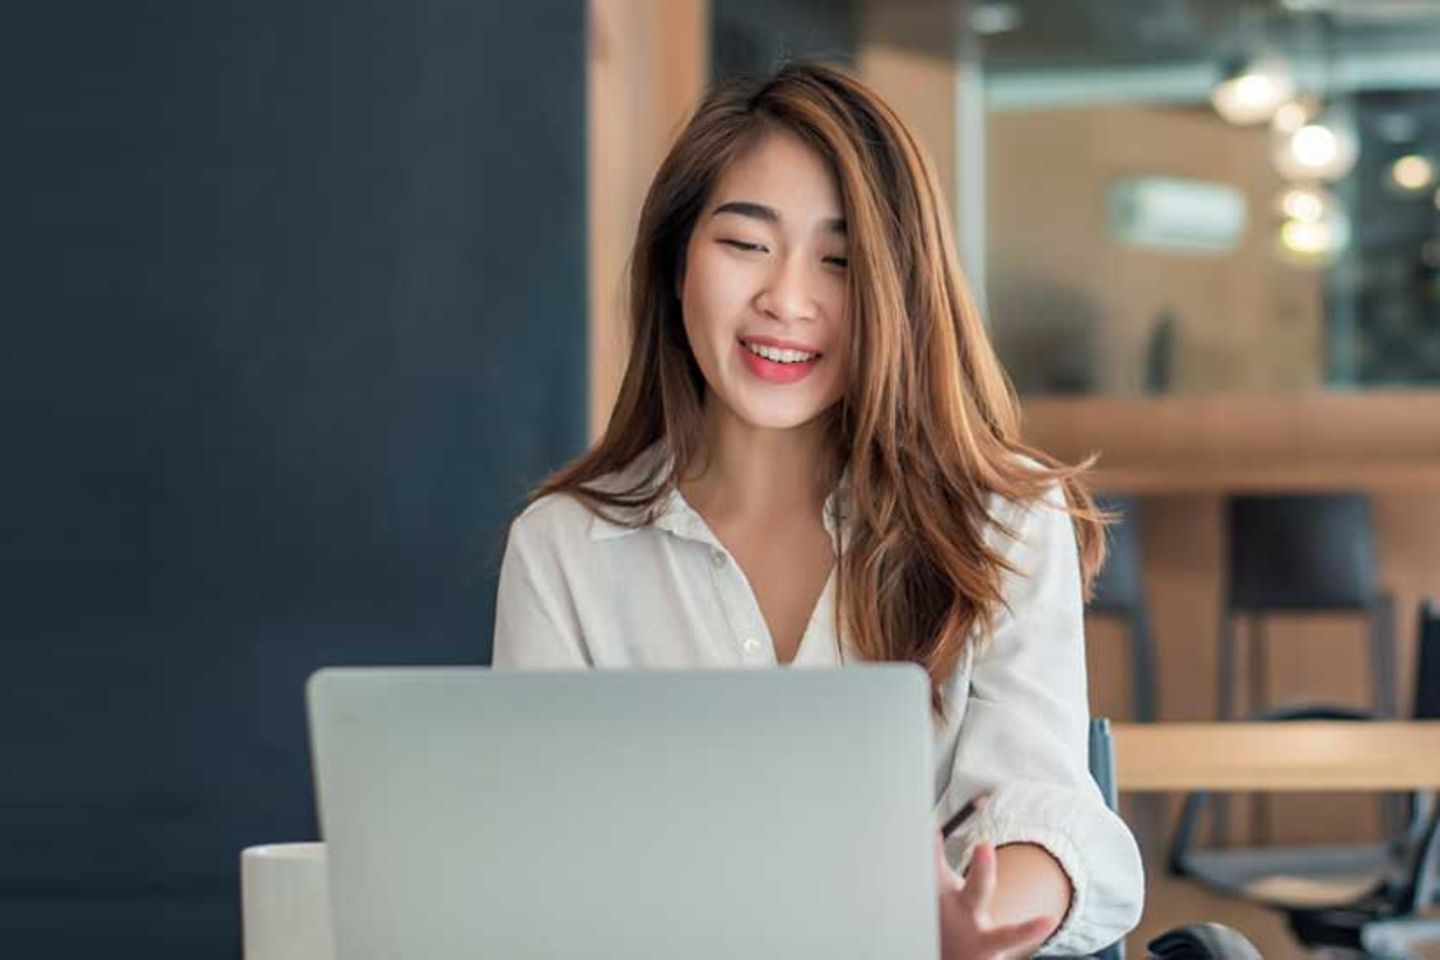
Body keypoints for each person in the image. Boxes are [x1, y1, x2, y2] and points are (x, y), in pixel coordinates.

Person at [491, 60, 1144, 959]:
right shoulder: (566, 547)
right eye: (745, 244)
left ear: (898, 291)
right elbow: (537, 854)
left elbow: (1042, 807)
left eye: (840, 261)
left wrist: (969, 923)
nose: (786, 300)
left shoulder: (998, 525)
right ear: (676, 260)